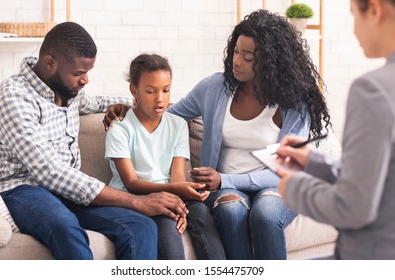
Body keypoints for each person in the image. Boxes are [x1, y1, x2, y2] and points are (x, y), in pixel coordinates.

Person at [104, 10, 332, 259]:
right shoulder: (215, 87)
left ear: (270, 61)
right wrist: (128, 106)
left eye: (247, 57)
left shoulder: (294, 103)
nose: (236, 61)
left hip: (276, 185)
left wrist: (224, 180)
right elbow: (168, 114)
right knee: (230, 211)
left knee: (265, 214)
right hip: (224, 190)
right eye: (235, 51)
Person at [0, 22, 189, 260]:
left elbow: (97, 102)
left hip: (69, 193)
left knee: (141, 226)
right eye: (79, 73)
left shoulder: (68, 92)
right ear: (50, 63)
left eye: (88, 72)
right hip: (24, 189)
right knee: (65, 227)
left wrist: (142, 104)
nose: (85, 81)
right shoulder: (14, 96)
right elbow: (50, 172)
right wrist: (137, 201)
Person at [276, 0, 395, 260]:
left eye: (354, 16)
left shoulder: (373, 90)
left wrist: (294, 189)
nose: (354, 30)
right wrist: (314, 161)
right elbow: (378, 179)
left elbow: (354, 206)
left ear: (374, 9)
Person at [105, 53, 225, 260]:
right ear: (134, 90)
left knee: (202, 213)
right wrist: (175, 193)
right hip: (134, 198)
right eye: (150, 91)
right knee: (167, 222)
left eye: (166, 90)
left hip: (171, 194)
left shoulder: (177, 125)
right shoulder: (120, 128)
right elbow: (131, 183)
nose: (160, 99)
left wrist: (183, 195)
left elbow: (177, 176)